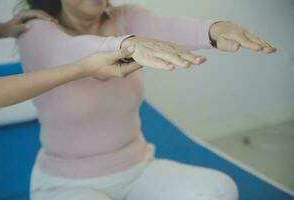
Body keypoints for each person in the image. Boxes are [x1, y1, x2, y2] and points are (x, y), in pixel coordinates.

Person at [16, 1, 277, 200]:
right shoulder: (35, 29)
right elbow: (69, 52)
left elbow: (170, 28)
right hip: (68, 183)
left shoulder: (126, 18)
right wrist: (128, 44)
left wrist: (215, 29)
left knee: (219, 189)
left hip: (139, 169)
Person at [0, 10, 143, 109]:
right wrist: (84, 67)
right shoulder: (37, 28)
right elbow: (62, 50)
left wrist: (2, 29)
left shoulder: (125, 15)